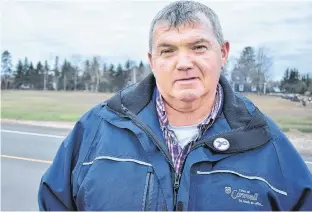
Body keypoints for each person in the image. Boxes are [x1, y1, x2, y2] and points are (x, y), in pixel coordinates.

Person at [38, 1, 312, 210]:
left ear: (223, 52)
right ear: (152, 60)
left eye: (198, 47)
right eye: (167, 51)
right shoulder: (96, 129)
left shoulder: (266, 143)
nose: (183, 63)